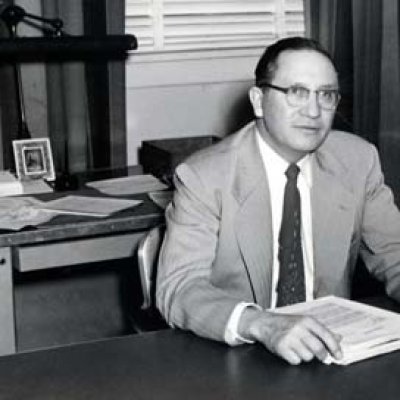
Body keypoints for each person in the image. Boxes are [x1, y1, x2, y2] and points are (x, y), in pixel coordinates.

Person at [156, 37, 400, 365]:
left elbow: (394, 253)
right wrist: (261, 324)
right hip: (238, 355)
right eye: (296, 92)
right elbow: (179, 288)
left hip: (332, 351)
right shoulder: (206, 176)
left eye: (325, 95)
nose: (313, 111)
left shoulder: (358, 161)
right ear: (258, 101)